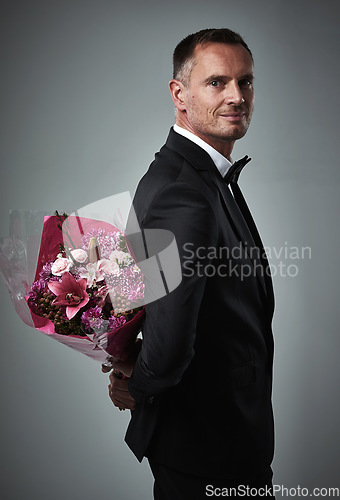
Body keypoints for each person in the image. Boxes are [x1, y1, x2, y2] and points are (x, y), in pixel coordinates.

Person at [104, 28, 275, 499]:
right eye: (217, 82)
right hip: (212, 447)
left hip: (219, 441)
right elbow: (170, 333)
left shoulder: (197, 178)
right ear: (180, 94)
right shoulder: (184, 190)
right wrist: (137, 383)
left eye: (246, 82)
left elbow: (150, 300)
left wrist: (132, 368)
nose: (237, 96)